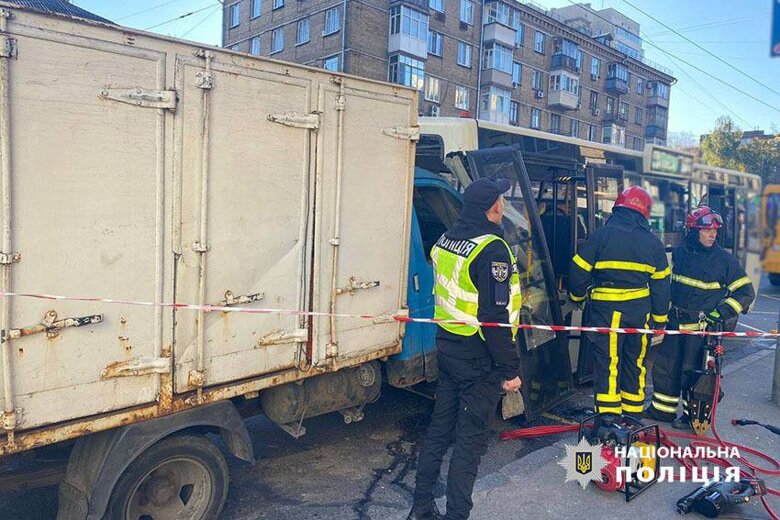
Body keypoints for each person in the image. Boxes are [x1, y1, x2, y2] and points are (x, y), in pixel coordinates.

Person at [408, 177, 522, 520]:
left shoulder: (446, 239)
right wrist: (511, 370)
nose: (503, 206)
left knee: (439, 432)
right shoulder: (491, 248)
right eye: (501, 200)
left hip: (448, 349)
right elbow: (493, 318)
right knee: (469, 443)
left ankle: (421, 509)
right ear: (494, 207)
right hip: (478, 358)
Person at [645, 206, 755, 428]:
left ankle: (692, 417)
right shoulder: (680, 254)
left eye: (714, 230)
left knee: (693, 373)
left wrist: (721, 313)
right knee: (666, 368)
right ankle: (662, 411)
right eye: (706, 230)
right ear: (693, 232)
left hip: (701, 330)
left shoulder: (725, 261)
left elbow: (745, 292)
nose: (712, 234)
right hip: (675, 324)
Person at [568, 186, 671, 424]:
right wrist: (660, 320)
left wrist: (577, 298)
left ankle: (608, 420)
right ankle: (633, 416)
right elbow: (662, 286)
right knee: (635, 363)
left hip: (607, 313)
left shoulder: (601, 236)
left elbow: (578, 271)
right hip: (640, 314)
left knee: (608, 364)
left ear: (617, 208)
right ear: (644, 213)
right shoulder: (653, 243)